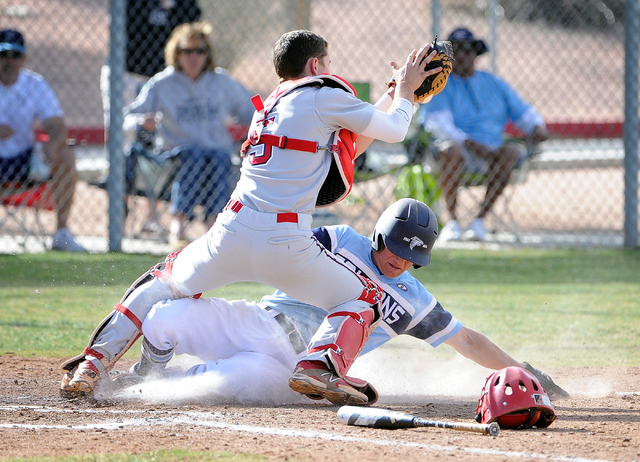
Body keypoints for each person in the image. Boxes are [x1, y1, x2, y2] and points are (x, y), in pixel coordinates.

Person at [60, 29, 443, 406]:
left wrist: (393, 93)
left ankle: (95, 363)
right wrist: (408, 91)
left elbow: (351, 144)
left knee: (161, 283)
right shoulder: (322, 94)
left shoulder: (275, 103)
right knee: (362, 299)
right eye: (326, 62)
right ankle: (320, 366)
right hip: (287, 241)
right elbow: (394, 129)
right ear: (314, 64)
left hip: (231, 231)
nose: (330, 69)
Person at [115, 199, 569, 404]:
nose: (399, 262)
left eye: (412, 256)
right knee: (161, 318)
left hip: (293, 372)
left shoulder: (412, 298)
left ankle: (157, 383)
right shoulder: (338, 238)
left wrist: (522, 371)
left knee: (211, 387)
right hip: (264, 323)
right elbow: (278, 249)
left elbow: (467, 341)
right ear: (379, 236)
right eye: (395, 248)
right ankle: (147, 369)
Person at [123, 21, 255, 247]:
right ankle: (179, 224)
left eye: (199, 51)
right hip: (174, 158)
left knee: (219, 156)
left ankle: (216, 225)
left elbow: (251, 112)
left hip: (217, 155)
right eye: (186, 51)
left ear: (208, 54)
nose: (193, 57)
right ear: (176, 53)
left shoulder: (221, 81)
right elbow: (127, 116)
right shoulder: (162, 83)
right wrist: (139, 121)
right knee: (193, 154)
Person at [419, 27, 548, 242]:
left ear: (476, 54)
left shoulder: (494, 83)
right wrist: (468, 143)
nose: (462, 56)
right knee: (451, 150)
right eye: (456, 51)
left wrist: (536, 127)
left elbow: (524, 112)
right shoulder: (439, 82)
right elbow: (435, 123)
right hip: (453, 153)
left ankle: (479, 221)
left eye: (468, 50)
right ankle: (452, 222)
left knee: (510, 153)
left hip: (491, 154)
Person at [0, 29, 85, 252]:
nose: (9, 61)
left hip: (21, 160)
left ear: (24, 59)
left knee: (65, 155)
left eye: (15, 56)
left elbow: (57, 126)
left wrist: (52, 144)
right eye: (3, 54)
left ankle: (61, 233)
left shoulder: (34, 85)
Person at [100, 0, 201, 129]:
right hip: (126, 73)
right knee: (123, 129)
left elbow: (191, 29)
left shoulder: (185, 4)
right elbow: (128, 25)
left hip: (164, 77)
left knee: (165, 133)